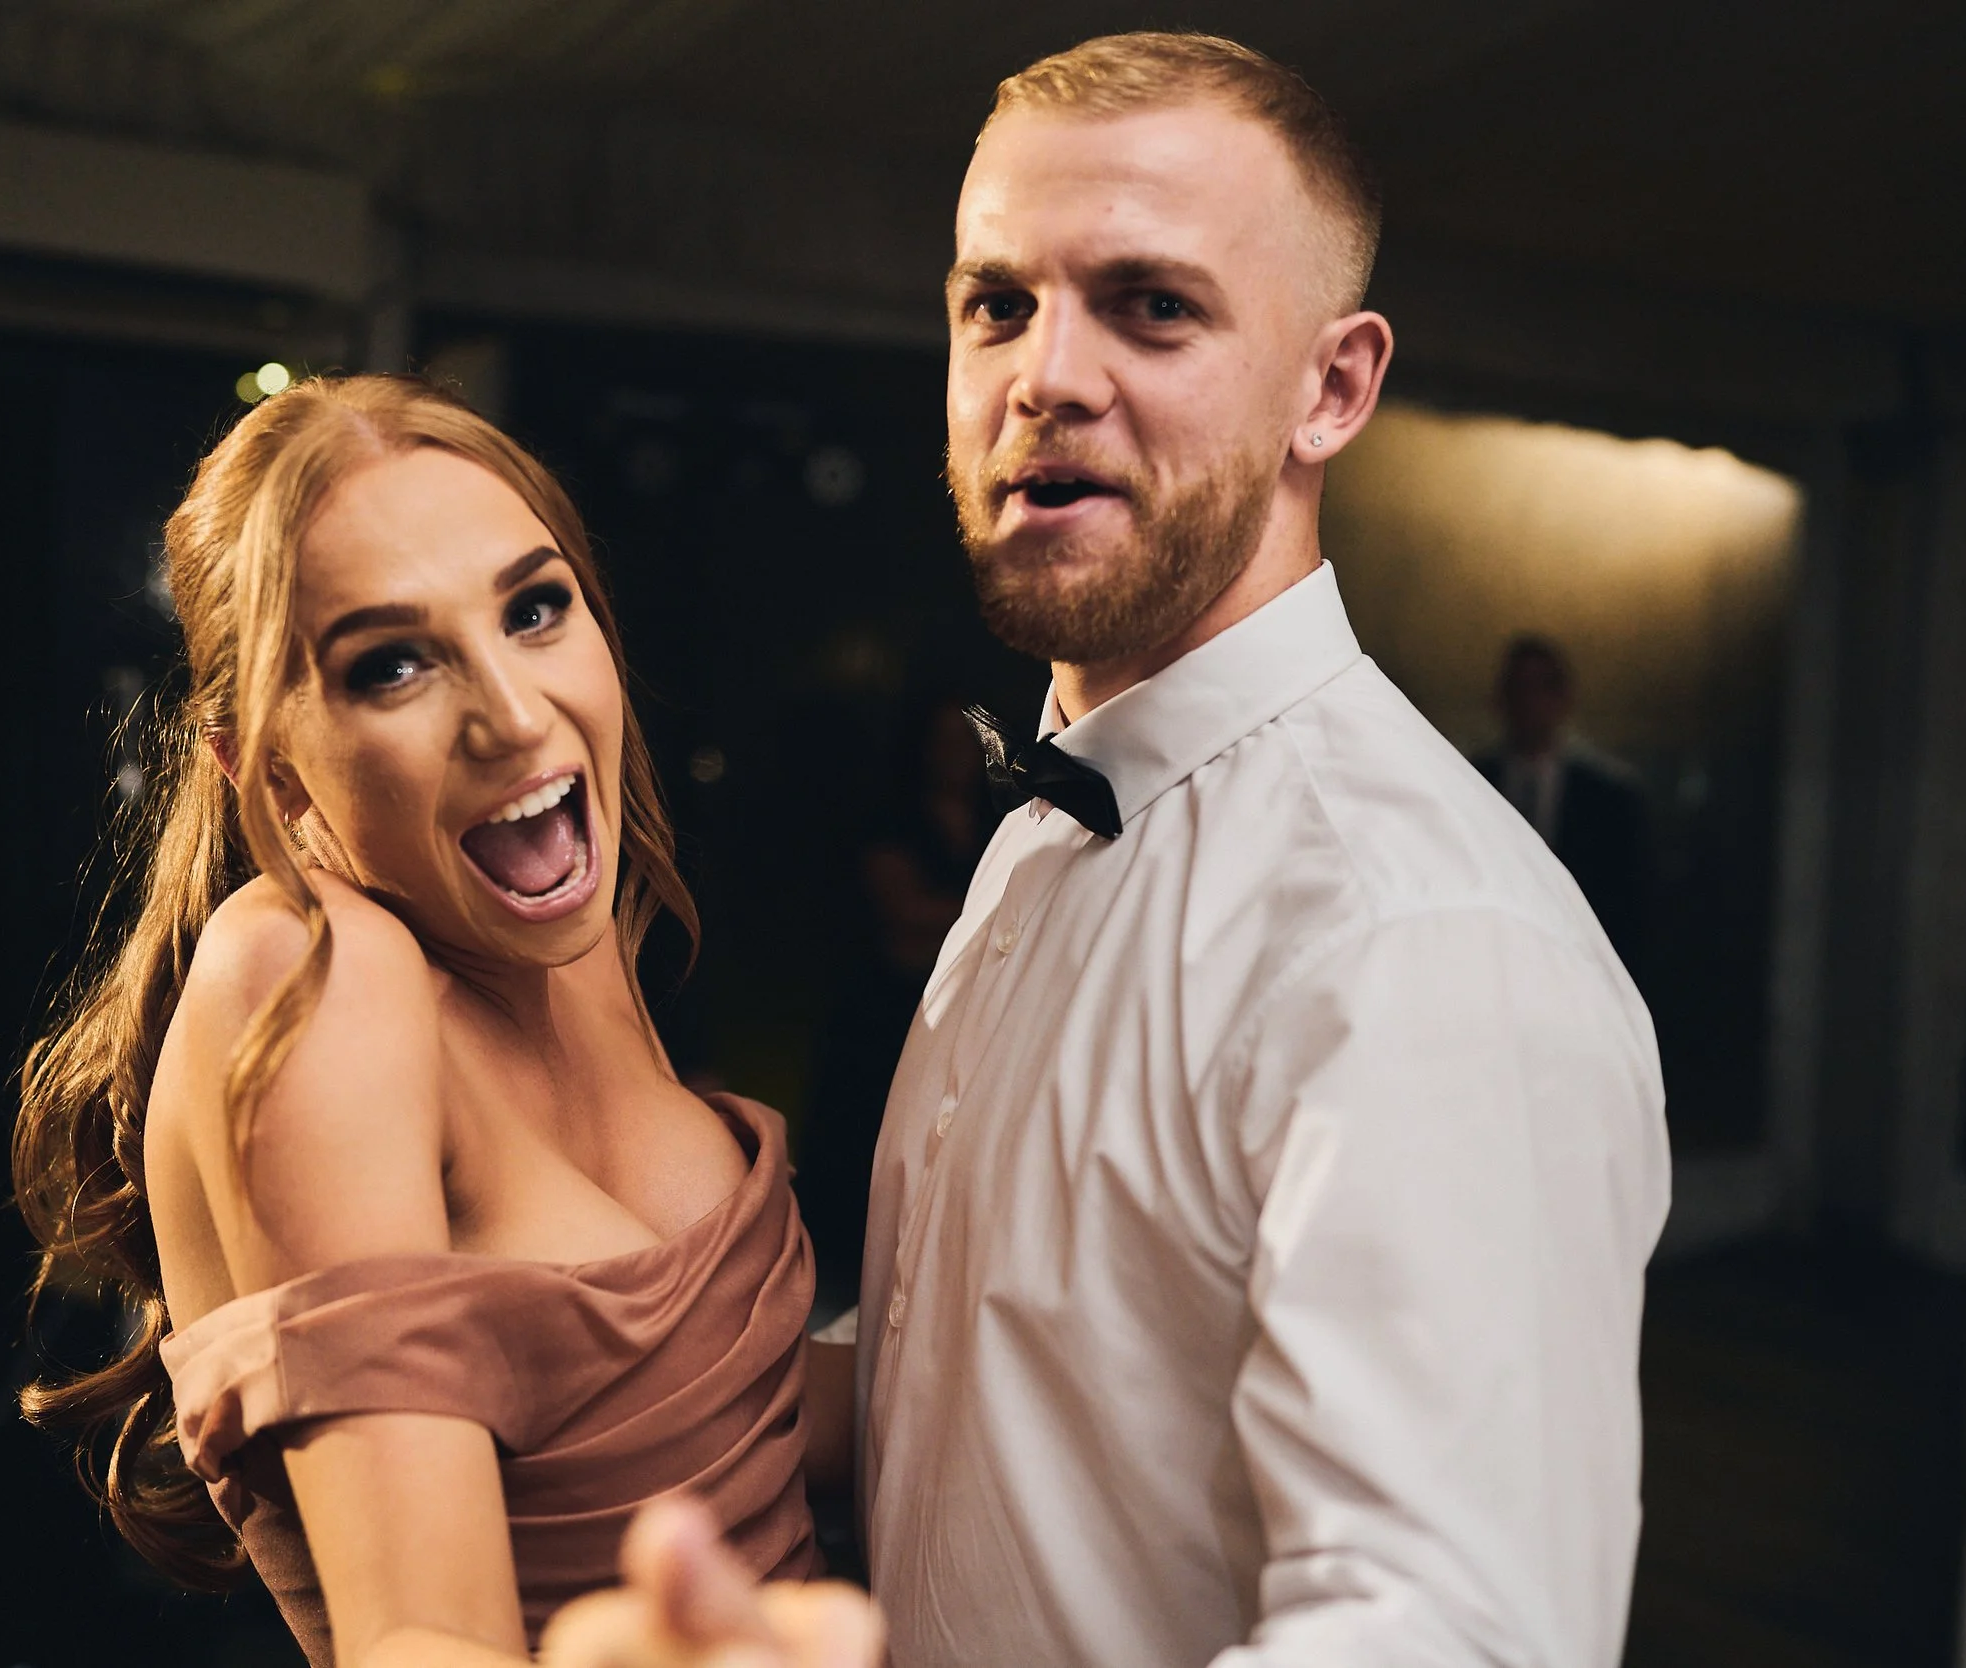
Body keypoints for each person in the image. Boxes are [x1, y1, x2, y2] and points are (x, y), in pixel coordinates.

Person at [553, 30, 1670, 1668]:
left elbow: (1447, 1637)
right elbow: (987, 1379)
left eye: (1151, 305)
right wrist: (530, 1381)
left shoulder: (1419, 940)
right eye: (998, 304)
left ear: (1331, 389)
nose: (1046, 376)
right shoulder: (1048, 825)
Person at [12, 376, 864, 1668]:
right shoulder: (309, 974)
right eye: (391, 665)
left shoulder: (565, 939)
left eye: (534, 609)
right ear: (264, 767)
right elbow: (416, 1637)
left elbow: (725, 1426)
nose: (514, 715)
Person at [796, 692, 996, 1313]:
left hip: (966, 1005)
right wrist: (995, 910)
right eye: (943, 741)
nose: (955, 755)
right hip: (887, 1005)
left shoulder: (999, 819)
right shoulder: (893, 818)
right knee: (868, 1142)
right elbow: (904, 913)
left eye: (965, 742)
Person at [1474, 634, 1653, 973]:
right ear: (1500, 698)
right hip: (1492, 959)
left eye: (1542, 687)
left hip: (1582, 964)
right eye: (1519, 688)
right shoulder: (1472, 782)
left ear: (1564, 698)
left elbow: (1628, 906)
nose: (1530, 702)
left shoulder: (1609, 797)